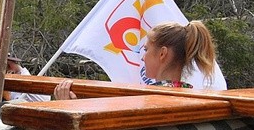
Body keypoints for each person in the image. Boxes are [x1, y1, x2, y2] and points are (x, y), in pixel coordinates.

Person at [53, 20, 217, 100]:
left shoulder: (150, 99)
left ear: (162, 54)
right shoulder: (192, 97)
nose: (143, 57)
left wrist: (66, 106)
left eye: (146, 49)